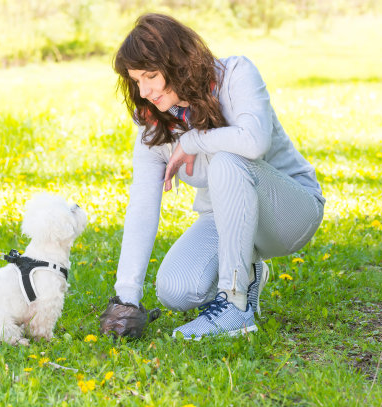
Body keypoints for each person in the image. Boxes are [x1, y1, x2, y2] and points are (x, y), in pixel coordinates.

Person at [99, 13, 325, 340]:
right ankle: (246, 271)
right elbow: (142, 206)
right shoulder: (154, 123)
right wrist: (126, 296)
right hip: (224, 217)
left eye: (151, 75)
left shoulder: (236, 75)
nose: (144, 90)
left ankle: (234, 304)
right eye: (136, 80)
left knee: (226, 160)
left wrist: (193, 140)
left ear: (177, 62)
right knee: (175, 290)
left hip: (290, 213)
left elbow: (254, 140)